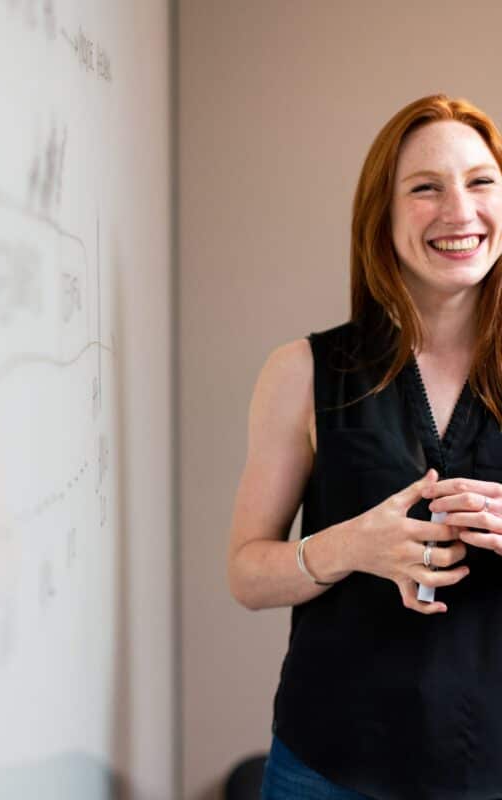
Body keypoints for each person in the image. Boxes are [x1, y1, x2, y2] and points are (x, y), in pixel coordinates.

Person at [228, 94, 502, 800]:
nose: (459, 211)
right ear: (381, 214)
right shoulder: (302, 371)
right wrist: (349, 547)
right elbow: (247, 574)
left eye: (480, 182)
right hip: (328, 771)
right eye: (425, 188)